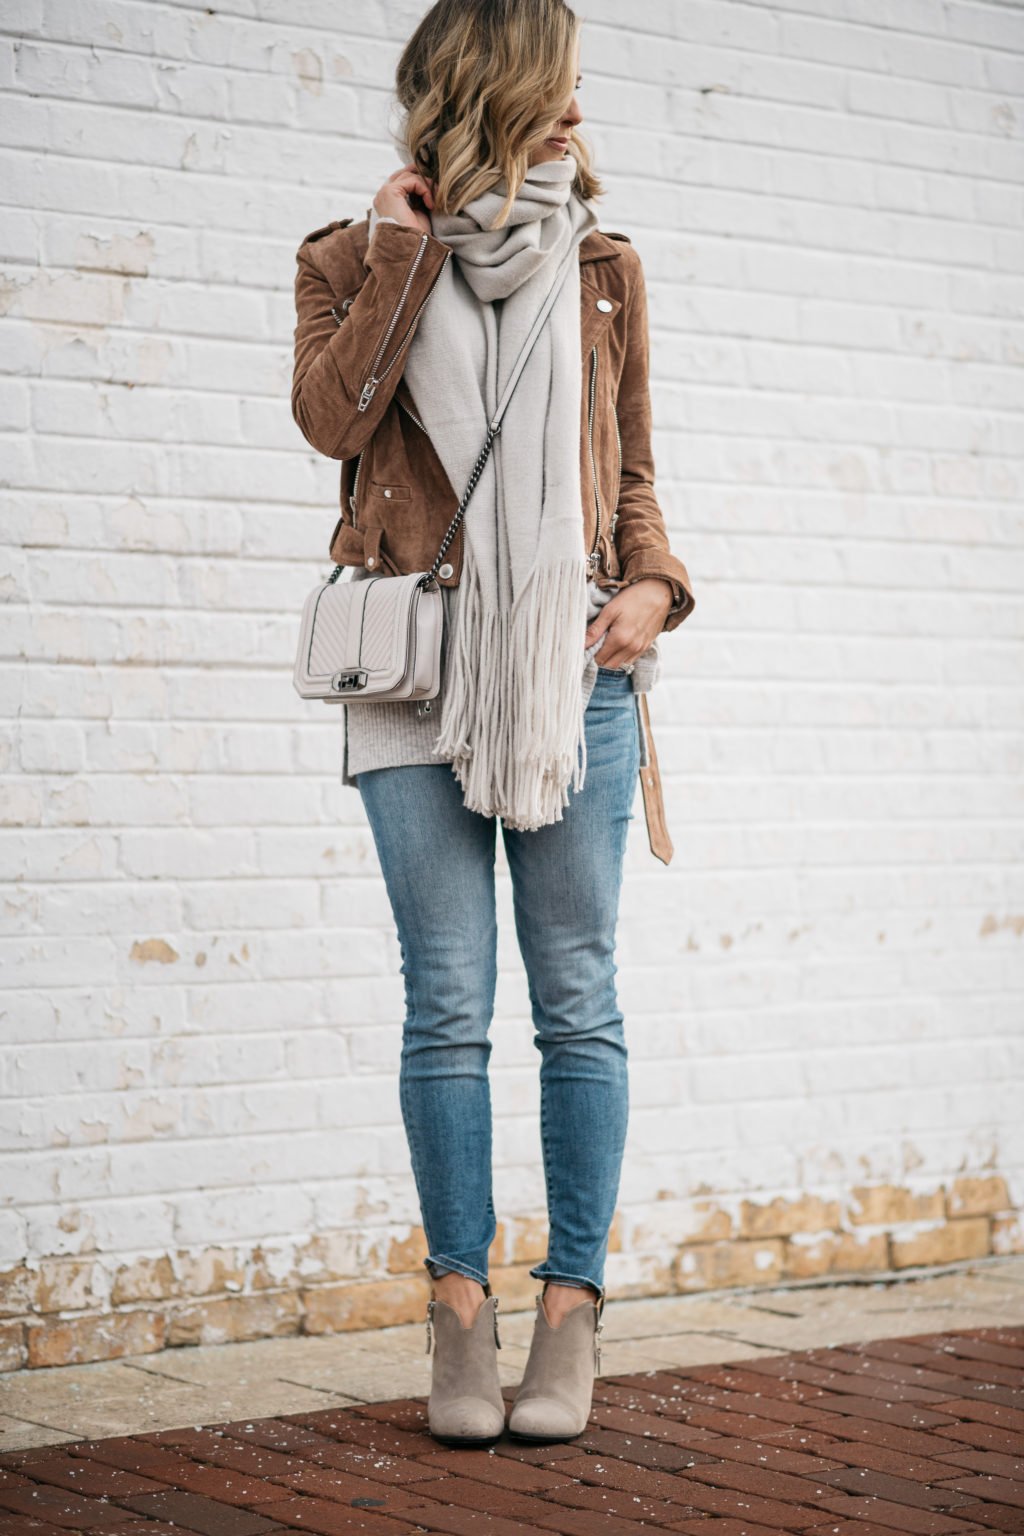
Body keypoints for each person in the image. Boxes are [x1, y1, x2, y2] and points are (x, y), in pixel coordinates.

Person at [291, 0, 694, 1448]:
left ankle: (571, 1311)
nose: (581, 101)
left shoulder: (603, 267)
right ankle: (458, 1314)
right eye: (563, 75)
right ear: (511, 87)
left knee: (576, 999)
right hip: (413, 677)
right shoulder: (345, 256)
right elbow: (337, 428)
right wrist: (404, 255)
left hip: (569, 670)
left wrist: (652, 584)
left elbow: (633, 466)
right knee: (447, 1009)